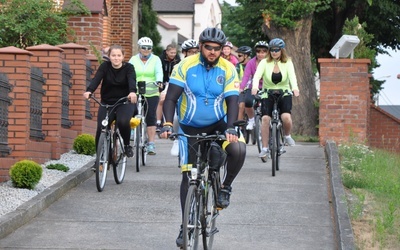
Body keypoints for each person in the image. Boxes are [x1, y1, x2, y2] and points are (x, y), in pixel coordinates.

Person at [159, 27, 246, 248]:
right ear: (200, 47)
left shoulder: (228, 69)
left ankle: (224, 187)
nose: (213, 52)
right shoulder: (184, 66)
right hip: (190, 127)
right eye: (208, 47)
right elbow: (170, 99)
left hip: (219, 125)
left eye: (217, 49)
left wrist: (231, 128)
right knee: (188, 177)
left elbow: (233, 101)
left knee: (238, 150)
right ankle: (185, 223)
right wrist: (168, 123)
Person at [83, 45, 137, 160]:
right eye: (113, 55)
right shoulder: (105, 66)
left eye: (119, 55)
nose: (116, 58)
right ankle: (100, 159)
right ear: (109, 57)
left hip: (124, 102)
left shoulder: (129, 68)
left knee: (123, 122)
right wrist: (89, 91)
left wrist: (132, 92)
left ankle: (127, 145)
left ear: (123, 57)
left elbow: (132, 81)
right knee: (101, 128)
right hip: (107, 102)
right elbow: (96, 79)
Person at [251, 38, 300, 158]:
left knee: (286, 117)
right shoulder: (264, 62)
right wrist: (255, 87)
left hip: (284, 92)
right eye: (272, 50)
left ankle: (287, 136)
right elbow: (257, 76)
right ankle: (265, 148)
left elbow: (292, 76)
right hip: (268, 93)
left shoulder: (287, 62)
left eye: (277, 50)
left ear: (281, 50)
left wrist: (295, 88)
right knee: (266, 119)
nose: (274, 52)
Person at [128, 37, 163, 155]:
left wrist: (159, 81)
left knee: (150, 116)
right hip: (136, 90)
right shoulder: (133, 59)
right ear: (139, 48)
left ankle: (151, 144)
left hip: (151, 91)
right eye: (144, 47)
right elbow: (129, 72)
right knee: (131, 110)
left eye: (149, 48)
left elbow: (159, 72)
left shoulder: (156, 59)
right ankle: (133, 130)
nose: (146, 50)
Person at [239, 41, 269, 130]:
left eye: (263, 52)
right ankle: (251, 120)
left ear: (267, 52)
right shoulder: (251, 63)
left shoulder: (270, 62)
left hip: (267, 87)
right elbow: (246, 76)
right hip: (254, 86)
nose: (261, 54)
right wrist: (241, 87)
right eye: (258, 51)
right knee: (247, 102)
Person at [156, 44, 181, 131]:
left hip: (173, 81)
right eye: (171, 53)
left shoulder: (177, 59)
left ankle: (172, 121)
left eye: (174, 53)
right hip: (163, 81)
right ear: (167, 52)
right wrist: (160, 83)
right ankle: (159, 121)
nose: (173, 54)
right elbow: (159, 71)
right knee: (161, 99)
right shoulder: (161, 58)